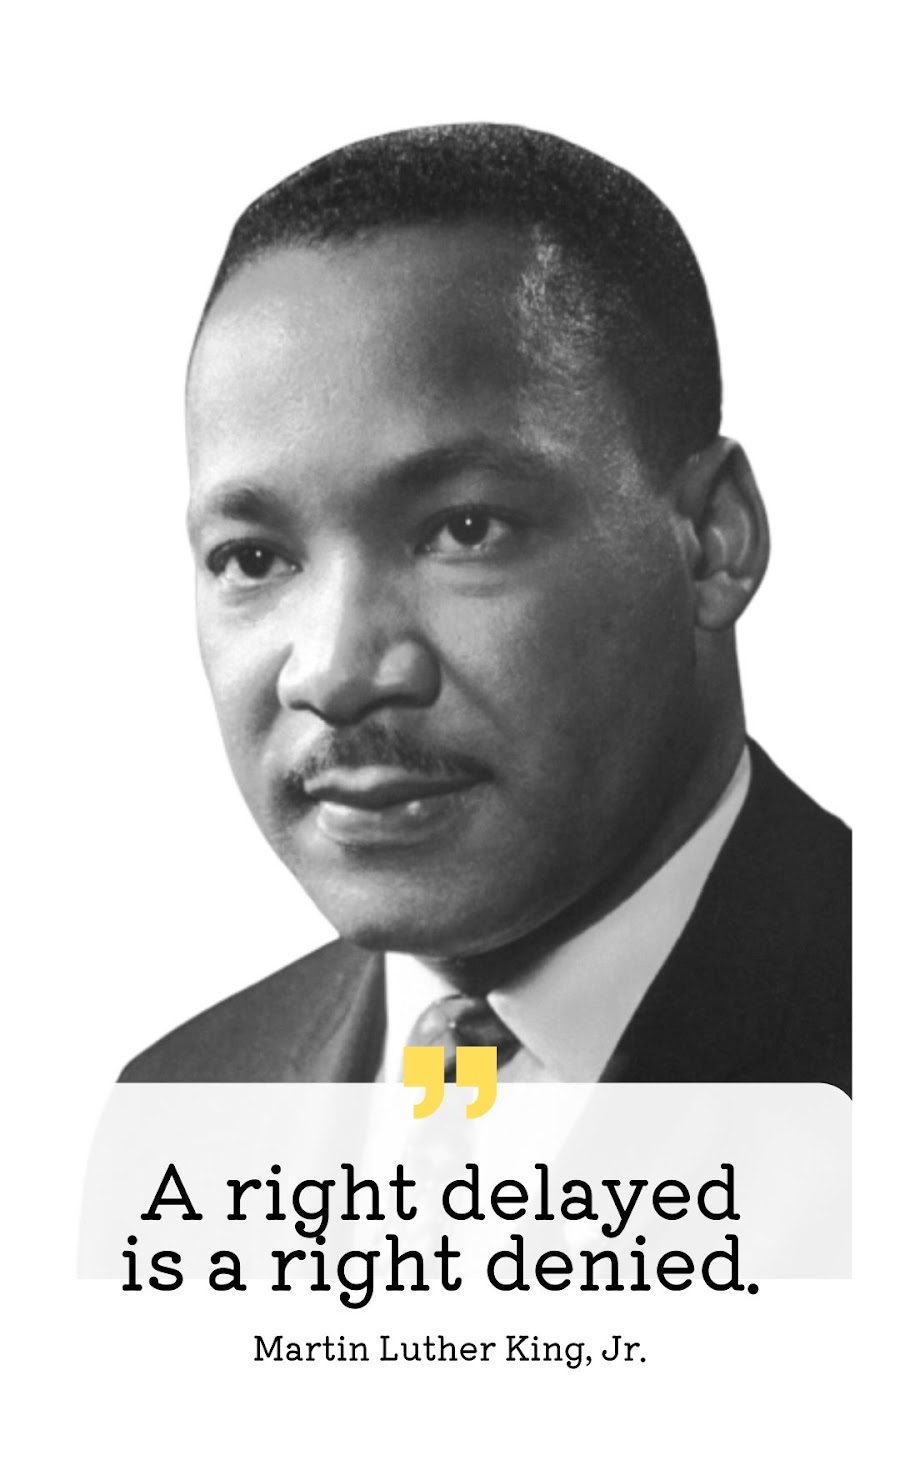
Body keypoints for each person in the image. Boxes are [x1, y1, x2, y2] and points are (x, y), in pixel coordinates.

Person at [120, 124, 850, 1093]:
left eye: (465, 530)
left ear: (713, 539)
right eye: (254, 558)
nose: (334, 672)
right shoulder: (182, 1099)